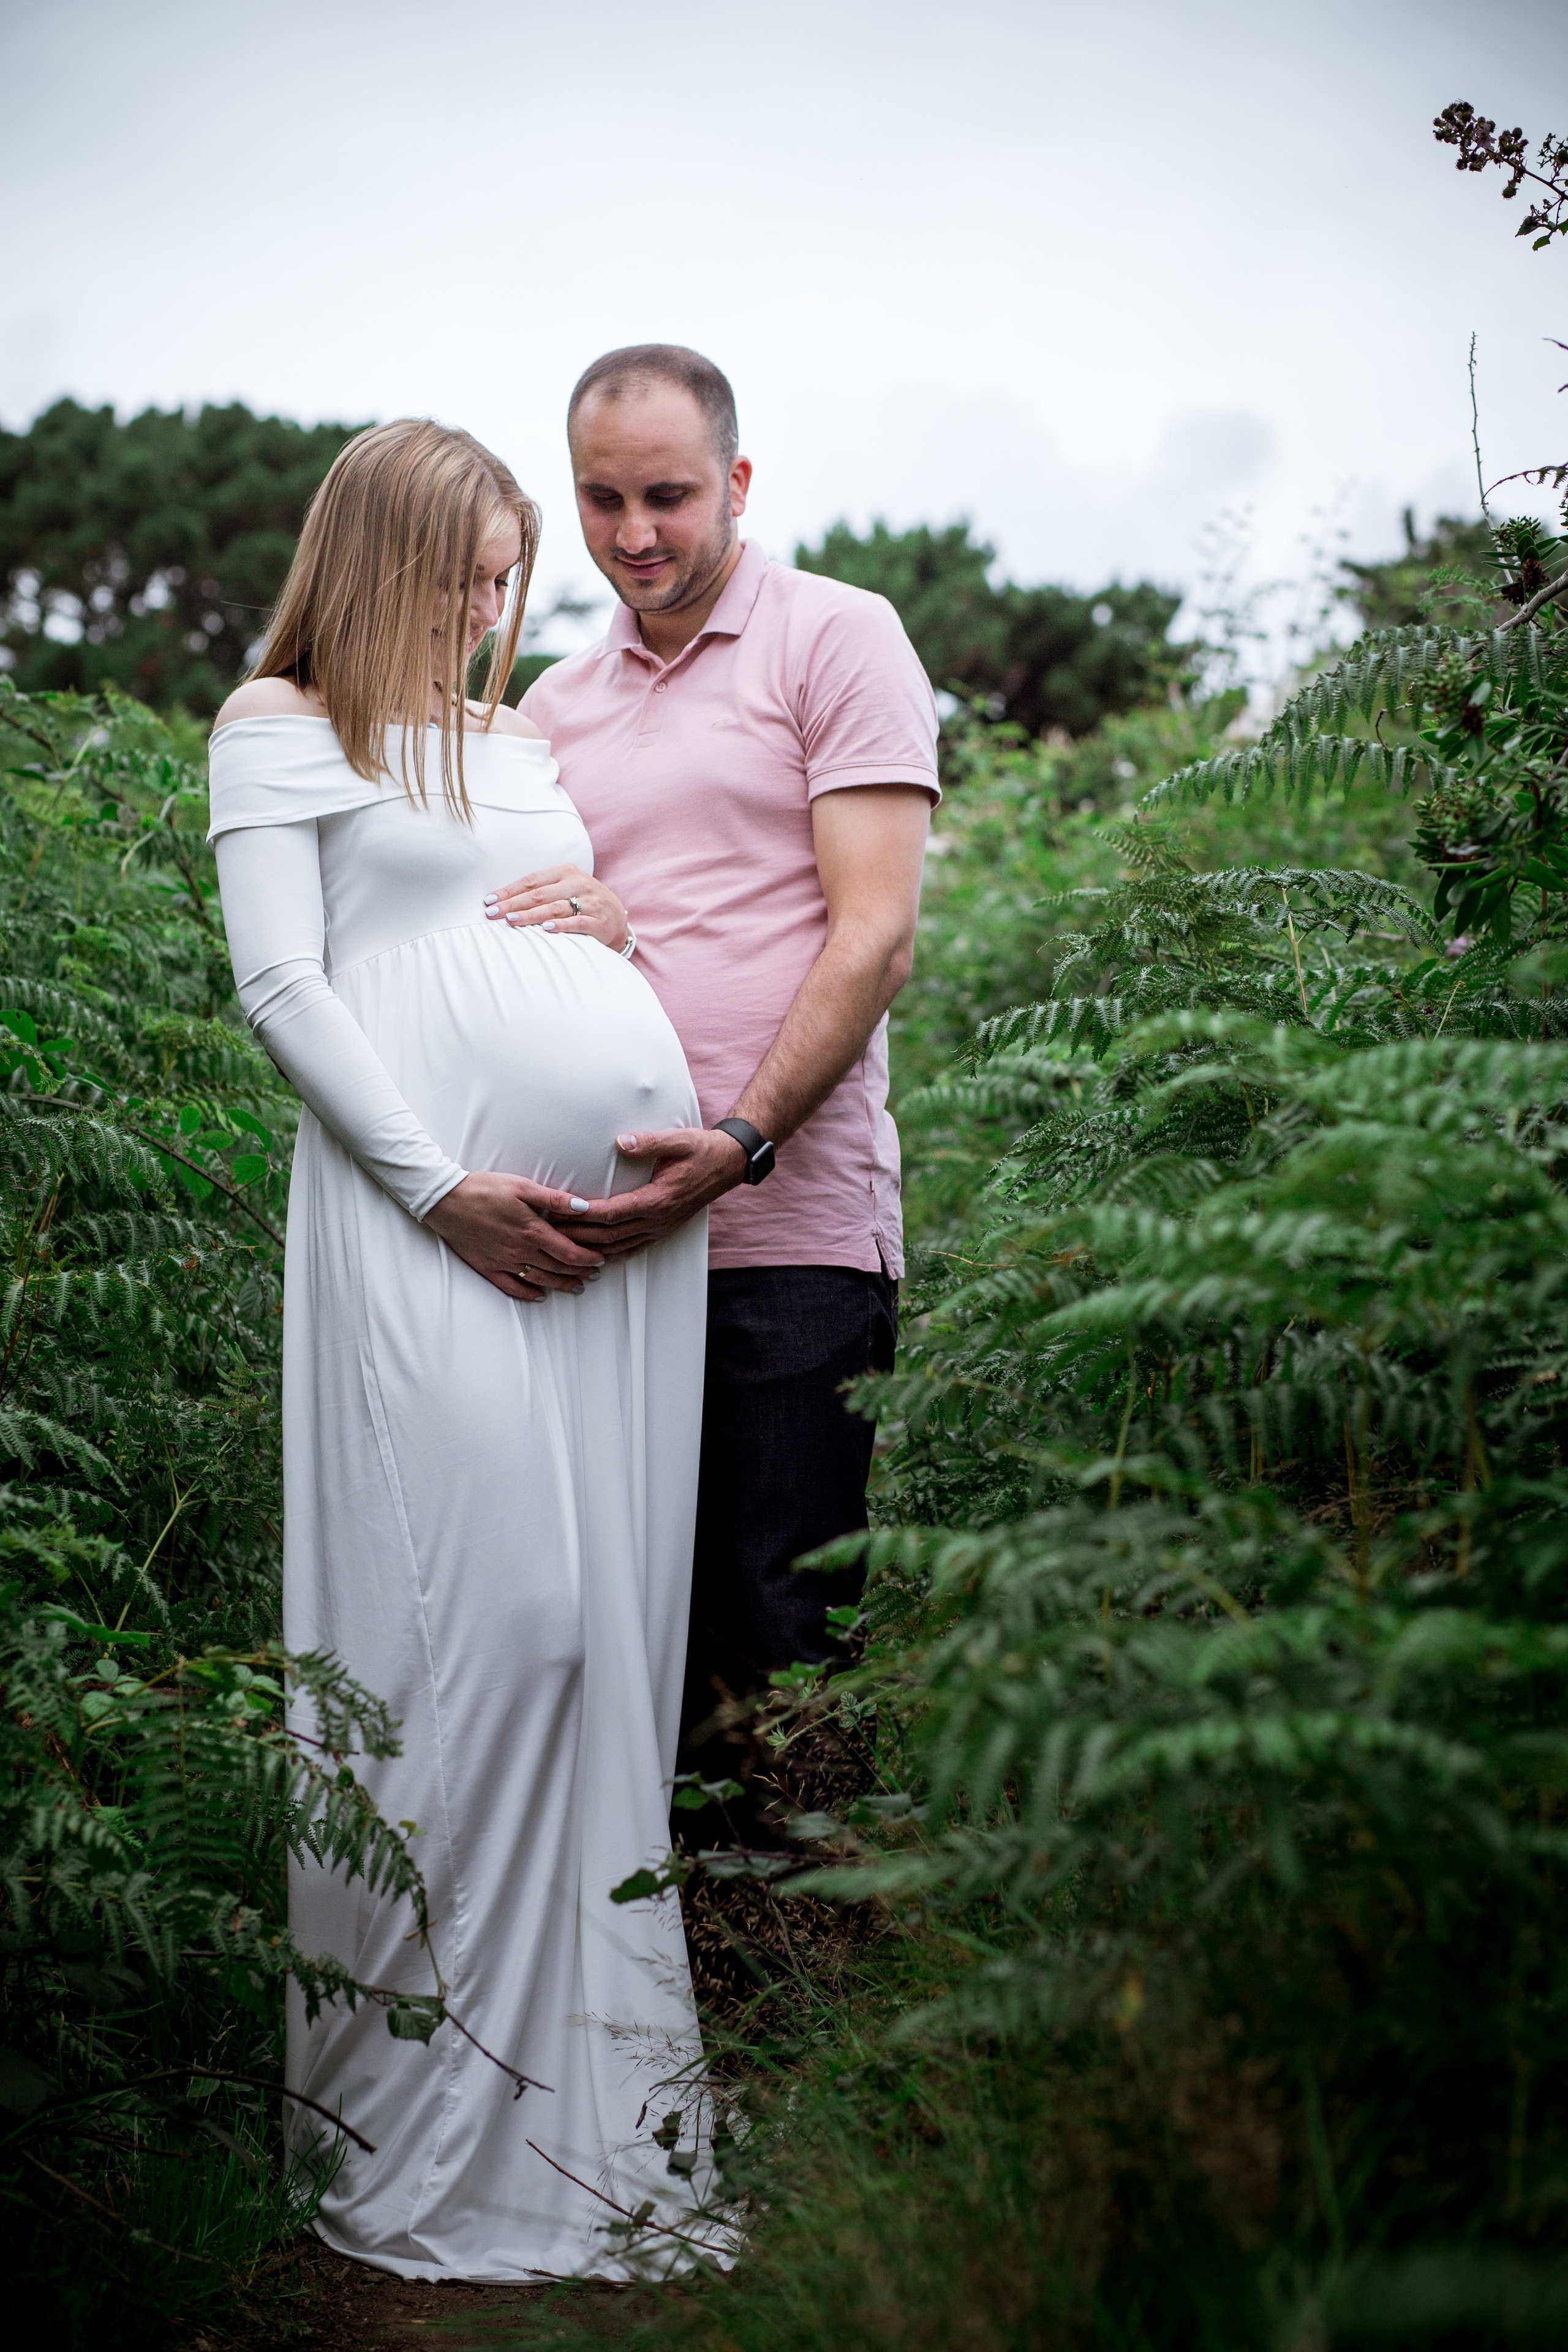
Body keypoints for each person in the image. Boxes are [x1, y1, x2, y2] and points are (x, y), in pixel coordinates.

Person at [207, 419, 715, 2281]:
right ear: (380, 559)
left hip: (612, 1261)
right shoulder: (281, 724)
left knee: (602, 1655)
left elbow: (545, 925)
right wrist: (439, 1191)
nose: (492, 607)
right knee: (487, 1635)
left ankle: (597, 2130)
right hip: (421, 1221)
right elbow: (287, 984)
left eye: (512, 576)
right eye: (464, 574)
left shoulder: (516, 738)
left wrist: (619, 920)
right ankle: (412, 2113)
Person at [489, 347, 938, 1817]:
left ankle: (803, 2001)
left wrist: (738, 1138)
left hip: (786, 1231)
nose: (634, 535)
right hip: (599, 1246)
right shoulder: (550, 707)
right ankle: (651, 2008)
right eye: (602, 499)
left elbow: (873, 934)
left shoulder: (835, 637)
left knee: (778, 1624)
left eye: (668, 496)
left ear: (736, 483)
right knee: (627, 1632)